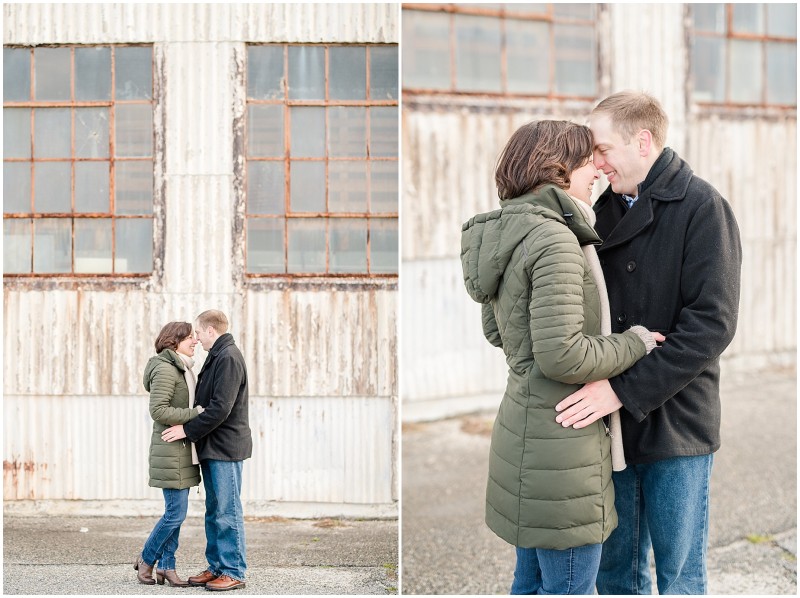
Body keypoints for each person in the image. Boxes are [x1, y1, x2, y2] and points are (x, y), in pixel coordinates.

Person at [461, 120, 664, 595]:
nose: (596, 168)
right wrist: (635, 342)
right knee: (568, 588)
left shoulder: (509, 235)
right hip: (562, 446)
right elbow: (562, 355)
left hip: (523, 430)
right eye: (585, 159)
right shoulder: (554, 240)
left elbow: (499, 333)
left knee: (530, 583)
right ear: (557, 169)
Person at [553, 91, 742, 594]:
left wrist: (621, 390)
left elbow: (711, 325)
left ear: (643, 142)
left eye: (603, 149)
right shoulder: (600, 211)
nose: (595, 162)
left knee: (679, 576)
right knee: (617, 574)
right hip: (612, 429)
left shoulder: (703, 207)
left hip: (677, 423)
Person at [161, 310, 253, 592]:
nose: (196, 338)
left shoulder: (228, 357)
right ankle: (217, 567)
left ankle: (234, 570)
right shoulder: (217, 356)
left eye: (198, 333)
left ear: (211, 331)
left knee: (228, 511)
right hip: (213, 446)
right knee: (215, 511)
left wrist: (187, 430)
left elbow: (220, 409)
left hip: (226, 446)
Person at [135, 321, 204, 587]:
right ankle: (146, 558)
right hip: (171, 449)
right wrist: (195, 415)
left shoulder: (182, 367)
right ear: (173, 341)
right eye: (189, 337)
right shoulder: (165, 368)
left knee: (175, 512)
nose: (195, 341)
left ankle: (167, 567)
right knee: (175, 513)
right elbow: (159, 410)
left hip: (182, 449)